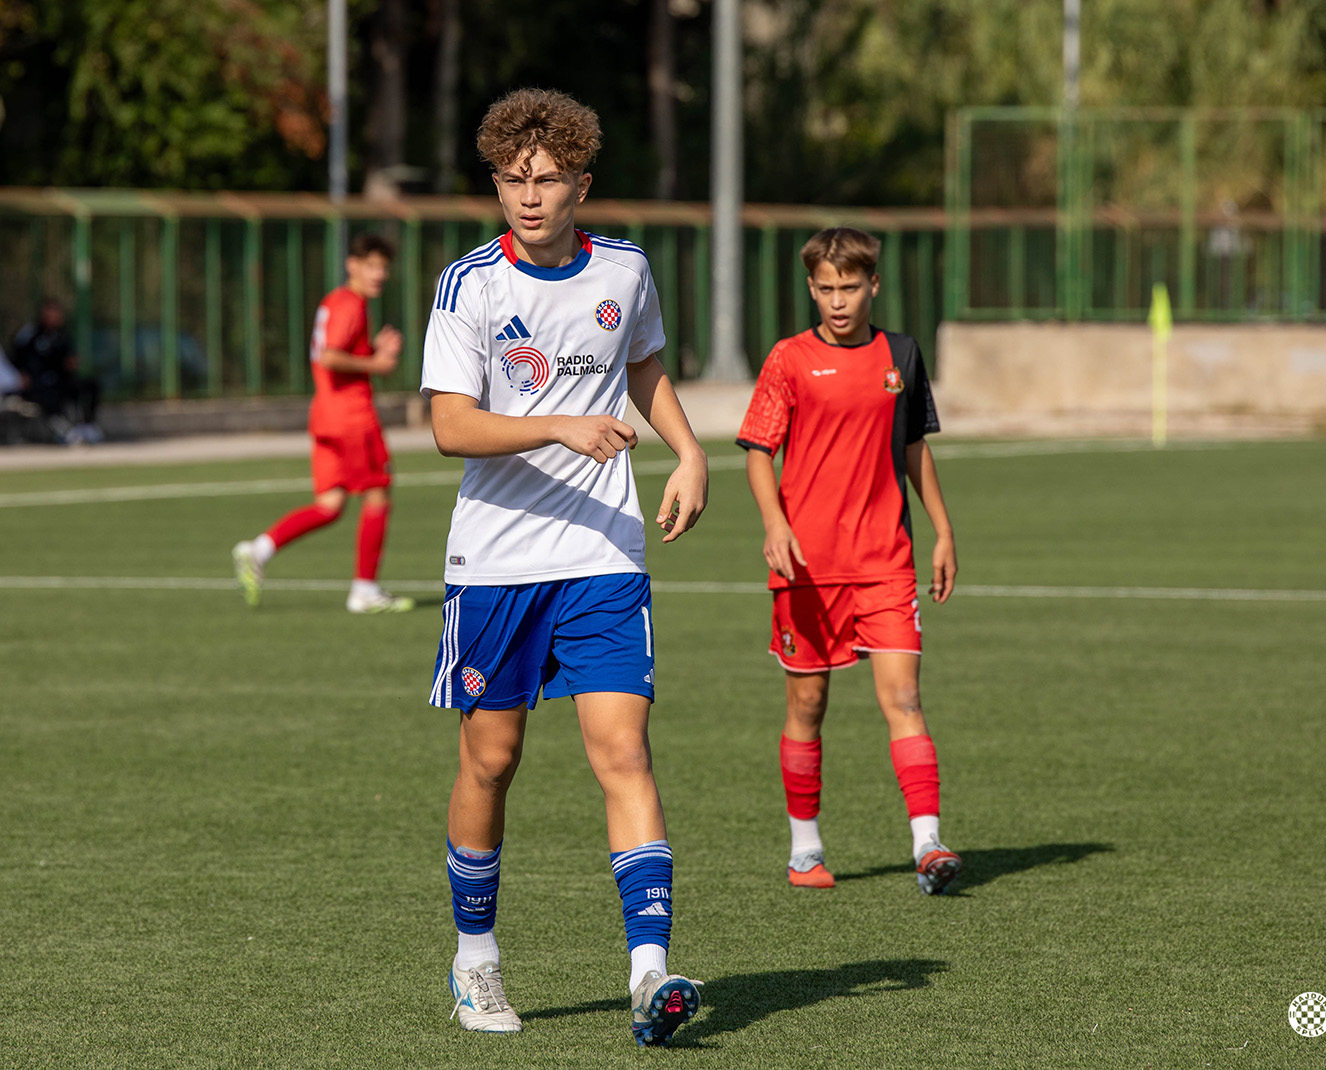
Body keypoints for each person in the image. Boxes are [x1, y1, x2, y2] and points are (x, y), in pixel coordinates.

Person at [421, 87, 709, 1045]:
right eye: (511, 180)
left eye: (545, 180)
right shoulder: (469, 285)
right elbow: (449, 427)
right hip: (496, 563)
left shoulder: (624, 270)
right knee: (491, 759)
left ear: (582, 183)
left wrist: (690, 451)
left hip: (602, 553)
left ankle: (650, 975)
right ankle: (475, 964)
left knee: (622, 751)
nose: (527, 196)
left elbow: (645, 368)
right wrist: (556, 423)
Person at [736, 226, 963, 895]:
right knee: (807, 706)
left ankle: (927, 842)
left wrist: (942, 530)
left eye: (850, 287)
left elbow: (914, 446)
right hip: (806, 566)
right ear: (811, 287)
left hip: (885, 562)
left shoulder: (901, 354)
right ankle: (804, 849)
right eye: (825, 288)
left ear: (873, 285)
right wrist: (774, 524)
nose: (838, 301)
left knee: (903, 697)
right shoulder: (788, 359)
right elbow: (757, 450)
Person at [231, 233, 414, 614]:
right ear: (352, 265)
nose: (379, 275)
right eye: (372, 266)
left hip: (326, 416)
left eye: (384, 267)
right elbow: (331, 356)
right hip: (352, 418)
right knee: (379, 492)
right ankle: (364, 590)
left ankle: (259, 550)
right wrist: (376, 363)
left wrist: (371, 353)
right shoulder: (351, 304)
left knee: (330, 505)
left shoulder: (335, 302)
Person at [10, 298, 101, 443]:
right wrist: (20, 374)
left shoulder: (62, 336)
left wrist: (71, 363)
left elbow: (68, 358)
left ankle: (87, 425)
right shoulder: (30, 333)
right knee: (47, 395)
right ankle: (63, 431)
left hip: (60, 380)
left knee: (89, 385)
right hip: (37, 383)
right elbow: (16, 357)